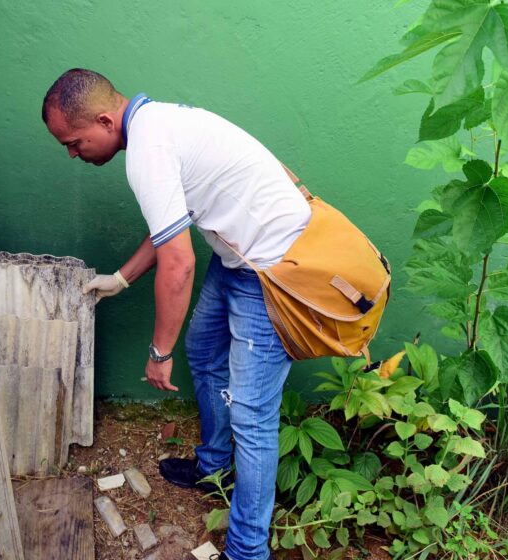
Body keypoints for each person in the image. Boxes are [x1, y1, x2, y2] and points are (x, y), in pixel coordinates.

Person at [42, 68, 311, 560]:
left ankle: (248, 551)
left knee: (253, 415)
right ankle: (214, 468)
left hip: (273, 268)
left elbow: (180, 262)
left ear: (104, 120)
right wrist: (121, 279)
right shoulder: (154, 125)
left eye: (75, 142)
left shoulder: (148, 151)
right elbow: (170, 224)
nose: (72, 154)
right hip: (239, 254)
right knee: (205, 350)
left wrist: (158, 353)